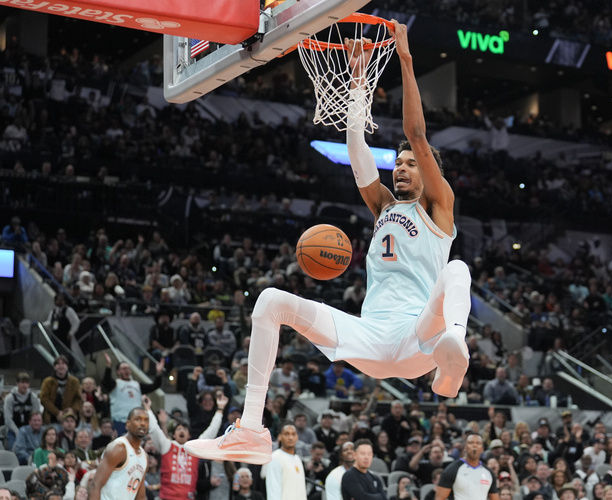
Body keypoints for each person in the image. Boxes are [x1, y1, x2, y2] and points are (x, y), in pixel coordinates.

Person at [185, 20, 472, 465]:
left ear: (430, 172)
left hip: (421, 337)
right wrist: (358, 81)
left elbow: (417, 134)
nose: (401, 168)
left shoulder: (439, 207)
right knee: (269, 301)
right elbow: (356, 144)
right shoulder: (383, 207)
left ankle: (453, 353)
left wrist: (406, 60)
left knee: (458, 270)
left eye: (412, 164)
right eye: (398, 163)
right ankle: (252, 430)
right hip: (371, 337)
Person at [143, 394, 227, 500]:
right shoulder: (167, 445)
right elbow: (154, 429)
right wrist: (148, 409)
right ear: (173, 435)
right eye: (178, 429)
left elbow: (211, 431)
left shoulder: (194, 448)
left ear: (189, 435)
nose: (181, 430)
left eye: (184, 429)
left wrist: (220, 409)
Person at [88, 407, 149, 500]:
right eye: (138, 419)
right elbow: (95, 485)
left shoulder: (145, 457)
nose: (143, 423)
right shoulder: (119, 448)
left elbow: (140, 496)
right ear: (127, 424)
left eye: (146, 420)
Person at [101, 353, 164, 435]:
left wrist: (159, 373)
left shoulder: (137, 385)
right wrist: (108, 367)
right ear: (118, 371)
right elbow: (106, 381)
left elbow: (154, 386)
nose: (126, 370)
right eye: (123, 368)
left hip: (137, 421)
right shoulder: (115, 384)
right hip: (120, 421)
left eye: (128, 368)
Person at [434, 433, 499, 500]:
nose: (474, 445)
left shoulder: (489, 473)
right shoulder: (452, 470)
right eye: (471, 443)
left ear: (482, 449)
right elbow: (439, 498)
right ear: (465, 447)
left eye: (478, 443)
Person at [260, 424, 307, 500]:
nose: (290, 437)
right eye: (286, 434)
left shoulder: (297, 458)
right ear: (280, 437)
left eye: (293, 434)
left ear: (297, 437)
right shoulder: (275, 458)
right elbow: (273, 489)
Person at [3, 371, 41, 449]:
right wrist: (18, 432)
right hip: (13, 430)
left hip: (30, 429)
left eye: (26, 383)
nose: (24, 385)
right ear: (17, 383)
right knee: (13, 449)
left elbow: (36, 416)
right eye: (22, 382)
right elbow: (8, 419)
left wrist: (29, 430)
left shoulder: (33, 397)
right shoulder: (10, 398)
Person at [40, 355, 82, 424]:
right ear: (54, 367)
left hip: (69, 418)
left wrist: (72, 410)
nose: (61, 366)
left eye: (63, 363)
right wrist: (57, 413)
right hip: (51, 418)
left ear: (67, 367)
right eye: (58, 364)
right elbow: (44, 399)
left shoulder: (74, 381)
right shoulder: (47, 381)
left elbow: (78, 399)